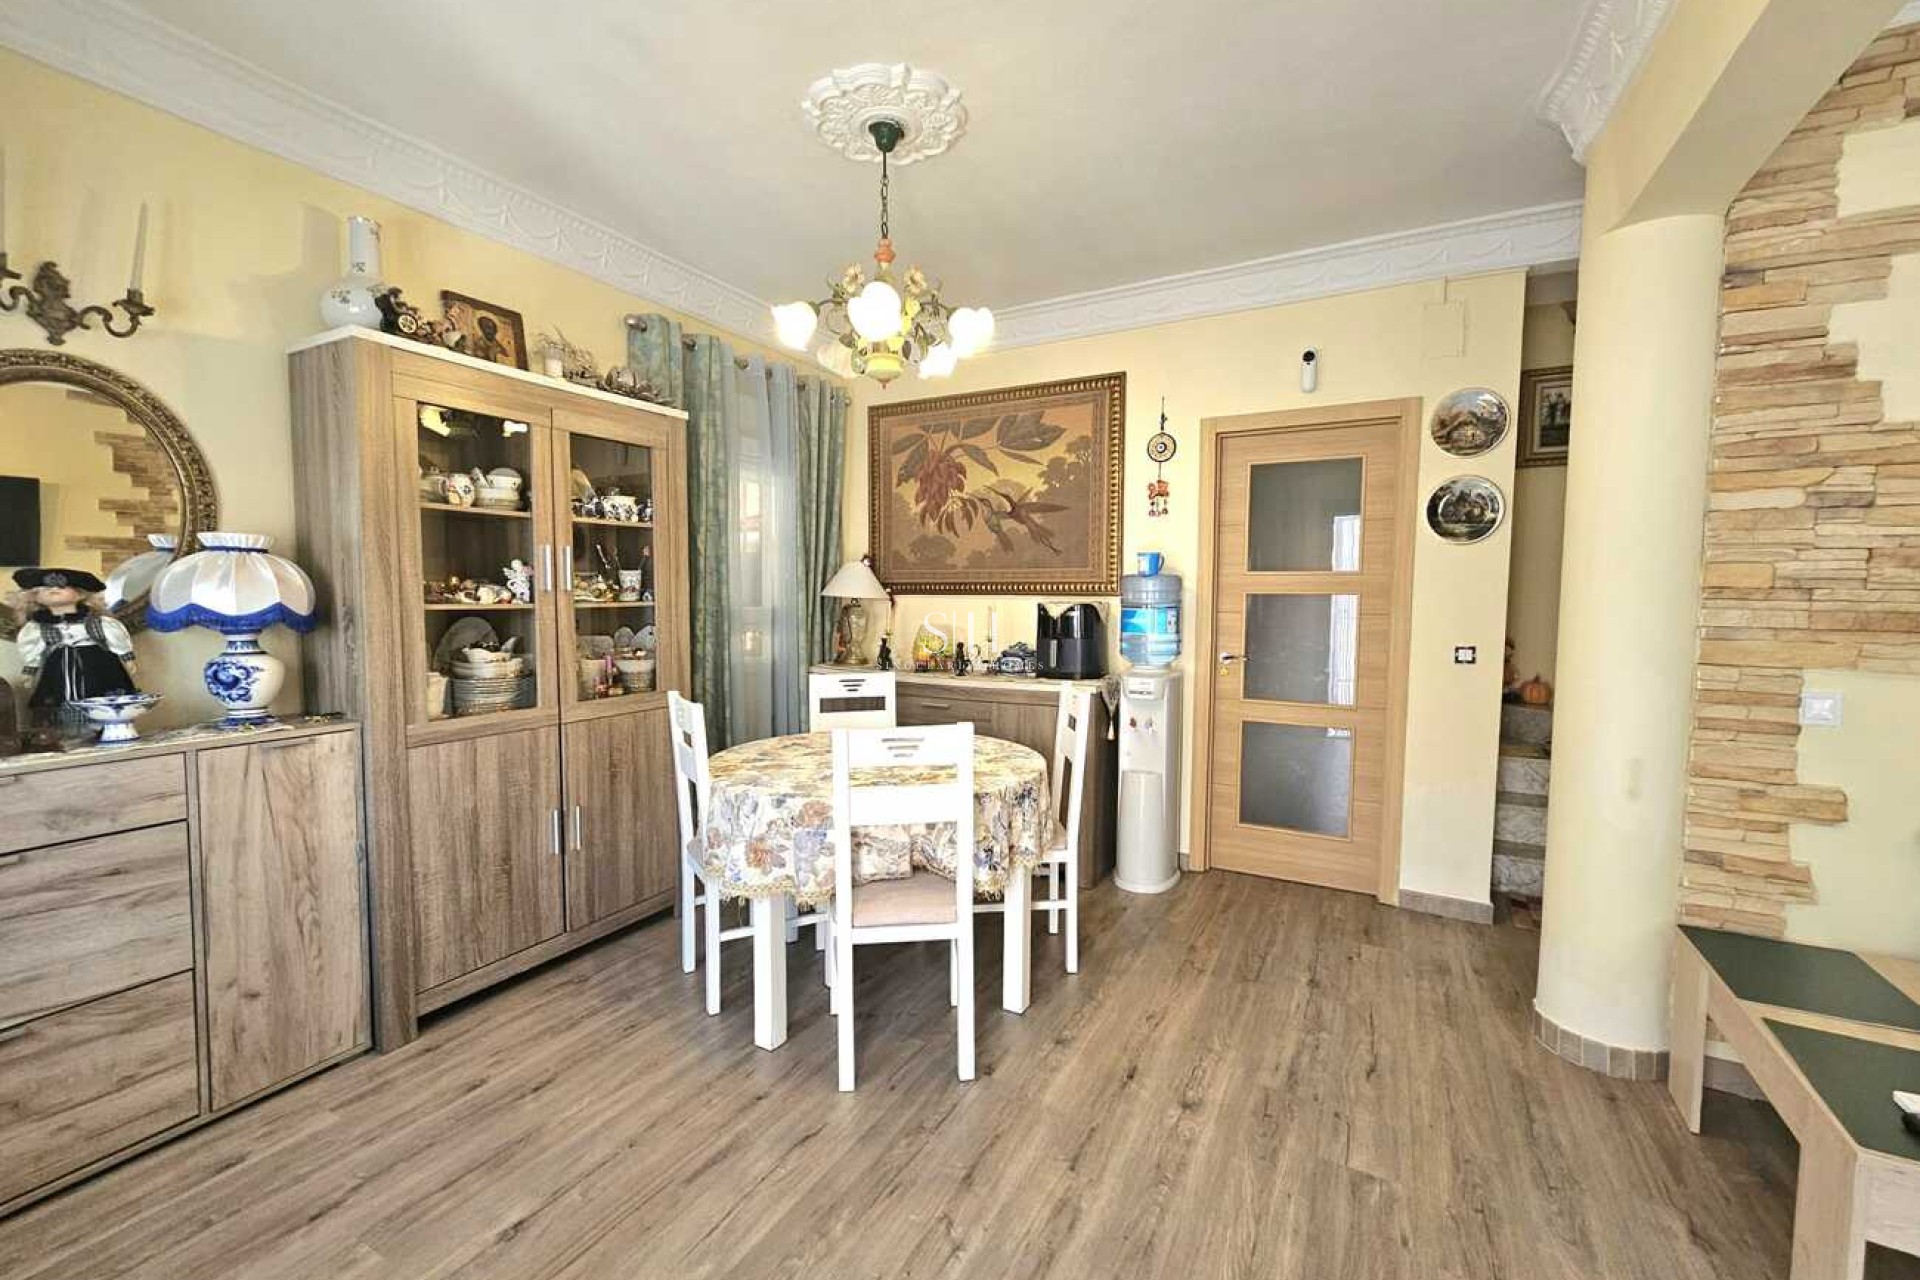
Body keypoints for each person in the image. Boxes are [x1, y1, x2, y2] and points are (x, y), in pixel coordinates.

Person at [8, 567, 138, 736]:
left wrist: (127, 658)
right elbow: (33, 651)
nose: (54, 589)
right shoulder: (36, 628)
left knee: (102, 697)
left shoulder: (99, 622)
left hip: (98, 667)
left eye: (62, 586)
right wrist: (30, 671)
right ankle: (67, 732)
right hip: (58, 669)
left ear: (81, 594)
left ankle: (106, 729)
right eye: (46, 588)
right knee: (57, 699)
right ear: (35, 596)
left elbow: (117, 640)